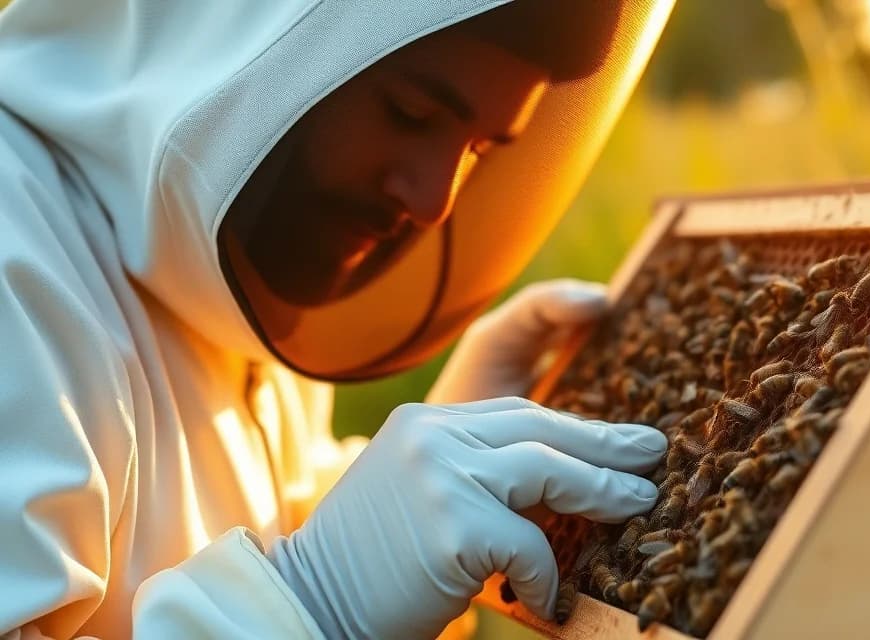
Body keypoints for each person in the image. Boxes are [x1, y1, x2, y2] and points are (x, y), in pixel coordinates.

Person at [0, 0, 675, 637]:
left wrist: (405, 513)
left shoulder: (235, 281)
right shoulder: (14, 258)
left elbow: (255, 522)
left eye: (477, 149)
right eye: (409, 113)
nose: (436, 201)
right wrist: (318, 599)